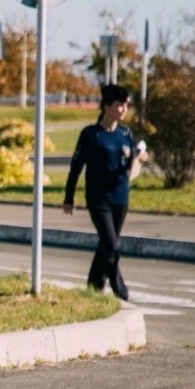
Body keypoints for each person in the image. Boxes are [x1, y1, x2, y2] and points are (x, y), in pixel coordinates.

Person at [62, 83, 149, 301]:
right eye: (120, 105)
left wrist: (140, 159)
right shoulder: (91, 135)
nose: (124, 109)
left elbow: (131, 167)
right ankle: (120, 289)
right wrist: (68, 198)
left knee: (106, 243)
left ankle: (94, 287)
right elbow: (76, 167)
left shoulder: (125, 133)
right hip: (98, 199)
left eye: (126, 105)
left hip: (121, 198)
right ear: (107, 107)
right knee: (111, 244)